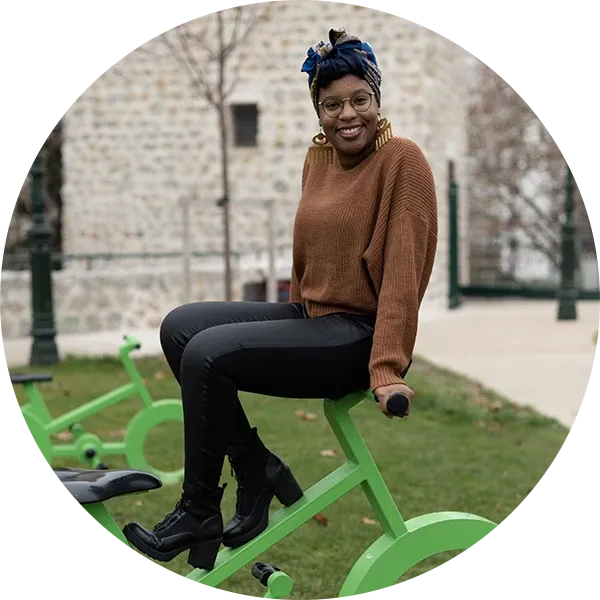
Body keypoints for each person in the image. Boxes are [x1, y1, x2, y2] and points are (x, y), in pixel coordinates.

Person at [122, 26, 438, 571]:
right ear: (318, 111)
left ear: (377, 99)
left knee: (208, 354)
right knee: (180, 327)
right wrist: (293, 311)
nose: (348, 115)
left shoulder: (402, 161)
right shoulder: (319, 160)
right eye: (332, 105)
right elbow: (309, 252)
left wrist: (387, 367)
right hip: (313, 315)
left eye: (360, 100)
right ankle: (255, 468)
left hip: (358, 337)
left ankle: (199, 509)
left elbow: (404, 273)